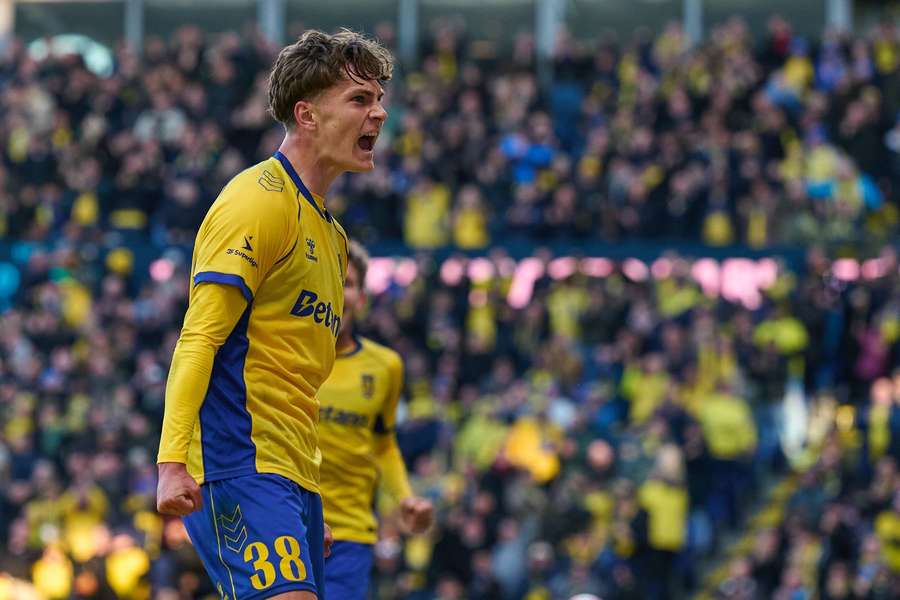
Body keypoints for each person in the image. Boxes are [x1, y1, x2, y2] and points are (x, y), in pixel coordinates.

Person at [155, 29, 393, 600]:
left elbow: (297, 375)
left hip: (291, 476)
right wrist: (169, 462)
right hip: (237, 460)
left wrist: (308, 499)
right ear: (306, 114)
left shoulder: (333, 238)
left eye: (379, 99)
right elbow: (200, 338)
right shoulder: (258, 200)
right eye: (360, 100)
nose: (379, 113)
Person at [317, 241, 434, 599]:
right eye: (328, 279)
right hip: (282, 529)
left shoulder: (386, 367)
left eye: (348, 283)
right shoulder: (280, 359)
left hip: (350, 535)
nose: (338, 291)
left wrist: (405, 498)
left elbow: (384, 444)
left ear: (362, 299)